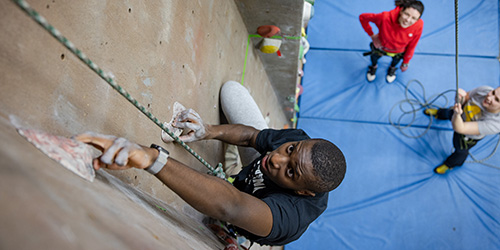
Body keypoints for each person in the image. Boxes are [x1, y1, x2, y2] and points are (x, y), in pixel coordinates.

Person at [76, 81, 347, 246]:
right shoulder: (296, 146)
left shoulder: (289, 216)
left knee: (217, 210)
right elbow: (253, 136)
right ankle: (232, 169)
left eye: (291, 170)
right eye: (289, 150)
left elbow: (233, 206)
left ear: (303, 191)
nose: (276, 158)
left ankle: (231, 227)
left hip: (250, 213)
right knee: (232, 91)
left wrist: (152, 159)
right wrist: (207, 131)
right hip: (250, 182)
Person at [424, 86, 500, 174]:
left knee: (460, 151)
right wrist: (460, 98)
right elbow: (467, 97)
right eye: (493, 92)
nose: (489, 97)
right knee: (448, 112)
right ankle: (439, 113)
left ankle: (450, 164)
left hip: (466, 136)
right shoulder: (484, 90)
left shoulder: (496, 124)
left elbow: (460, 128)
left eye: (497, 100)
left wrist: (457, 115)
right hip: (460, 112)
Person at [359, 0, 424, 83]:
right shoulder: (385, 17)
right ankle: (373, 66)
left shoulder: (419, 25)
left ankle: (392, 68)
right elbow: (363, 17)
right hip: (381, 48)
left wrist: (405, 62)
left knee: (395, 61)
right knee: (374, 58)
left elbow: (412, 45)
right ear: (401, 10)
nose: (408, 20)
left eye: (414, 18)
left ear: (418, 19)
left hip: (399, 52)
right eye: (406, 14)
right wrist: (372, 35)